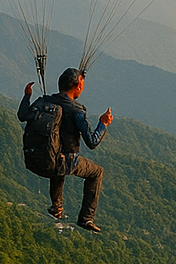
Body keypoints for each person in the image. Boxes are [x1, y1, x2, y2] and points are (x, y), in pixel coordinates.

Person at [19, 68, 112, 232]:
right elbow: (92, 142)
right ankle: (86, 218)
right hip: (64, 162)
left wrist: (27, 96)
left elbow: (22, 115)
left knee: (56, 157)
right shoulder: (77, 111)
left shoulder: (43, 101)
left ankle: (57, 206)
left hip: (38, 159)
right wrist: (102, 124)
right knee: (97, 172)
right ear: (78, 86)